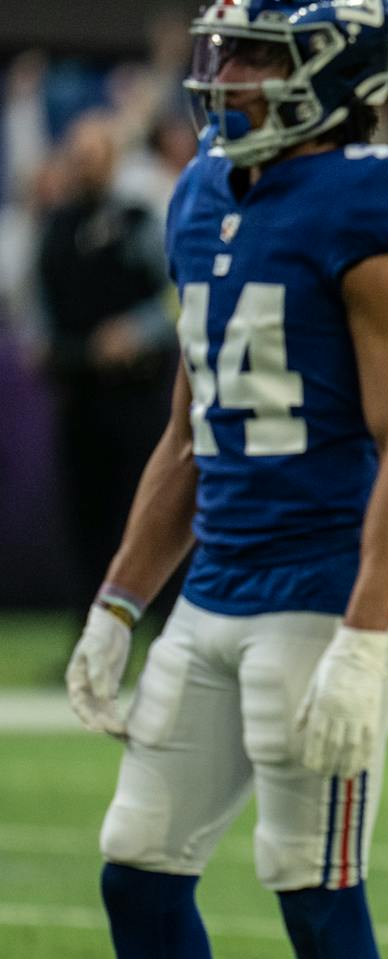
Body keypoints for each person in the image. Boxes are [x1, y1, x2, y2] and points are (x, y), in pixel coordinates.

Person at [61, 2, 388, 959]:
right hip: (217, 584)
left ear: (334, 78)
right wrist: (118, 599)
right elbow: (190, 434)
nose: (225, 73)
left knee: (311, 886)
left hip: (325, 589)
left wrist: (364, 640)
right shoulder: (197, 194)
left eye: (255, 57)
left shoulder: (373, 210)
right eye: (225, 50)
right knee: (138, 869)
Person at [36, 111, 178, 624]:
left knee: (148, 512)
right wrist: (47, 341)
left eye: (93, 158)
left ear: (112, 161)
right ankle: (87, 633)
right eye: (76, 158)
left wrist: (136, 332)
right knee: (84, 519)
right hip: (79, 393)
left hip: (135, 393)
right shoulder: (56, 225)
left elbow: (177, 296)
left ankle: (159, 630)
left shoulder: (139, 222)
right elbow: (41, 297)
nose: (83, 168)